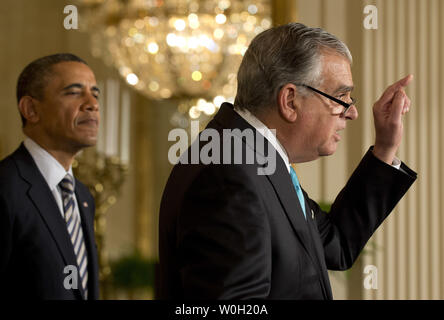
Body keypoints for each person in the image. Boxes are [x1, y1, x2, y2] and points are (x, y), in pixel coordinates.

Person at [158, 23, 417, 300]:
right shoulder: (228, 176)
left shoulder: (251, 156)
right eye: (341, 97)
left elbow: (335, 243)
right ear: (290, 101)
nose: (352, 113)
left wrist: (384, 149)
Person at [0, 53, 100, 299]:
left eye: (95, 93)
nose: (92, 104)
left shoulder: (83, 195)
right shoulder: (5, 188)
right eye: (74, 92)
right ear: (31, 109)